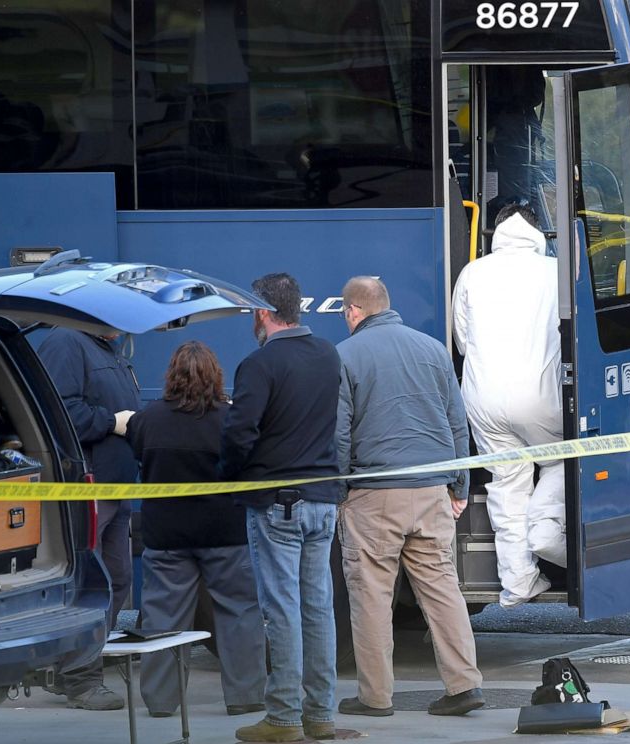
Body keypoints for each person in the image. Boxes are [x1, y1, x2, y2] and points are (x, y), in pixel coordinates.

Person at [335, 276, 485, 719]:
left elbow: (340, 434)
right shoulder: (432, 349)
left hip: (374, 494)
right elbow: (457, 422)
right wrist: (459, 484)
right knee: (442, 590)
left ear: (353, 311)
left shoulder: (344, 356)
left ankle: (375, 697)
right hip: (432, 491)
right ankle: (464, 685)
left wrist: (341, 491)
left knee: (372, 595)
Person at [219, 273, 342, 743]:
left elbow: (238, 432)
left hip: (276, 503)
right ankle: (321, 714)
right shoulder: (328, 354)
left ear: (262, 312)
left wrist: (231, 475)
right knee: (318, 609)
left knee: (282, 610)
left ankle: (284, 718)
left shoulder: (259, 364)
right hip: (322, 498)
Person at [125, 341, 266, 718]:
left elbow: (138, 453)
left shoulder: (147, 419)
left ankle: (160, 701)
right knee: (239, 612)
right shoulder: (229, 420)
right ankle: (246, 695)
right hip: (225, 533)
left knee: (163, 617)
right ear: (215, 376)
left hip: (166, 536)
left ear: (171, 376)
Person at [451, 202, 564, 609]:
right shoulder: (555, 273)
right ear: (539, 232)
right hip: (541, 397)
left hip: (482, 398)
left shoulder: (472, 273)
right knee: (559, 461)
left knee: (507, 483)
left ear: (495, 232)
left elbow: (462, 341)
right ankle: (547, 536)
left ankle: (519, 582)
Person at [37, 328, 139, 710]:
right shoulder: (65, 342)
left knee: (117, 578)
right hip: (88, 486)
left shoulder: (106, 349)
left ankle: (79, 666)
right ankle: (79, 677)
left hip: (115, 488)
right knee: (93, 582)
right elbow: (58, 411)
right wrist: (111, 421)